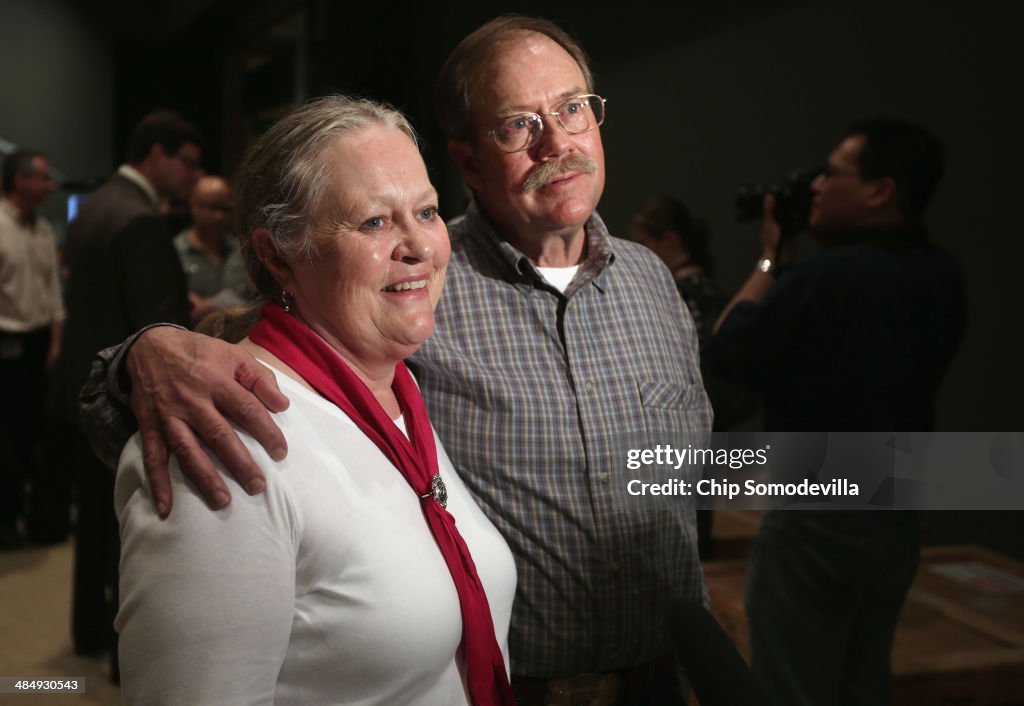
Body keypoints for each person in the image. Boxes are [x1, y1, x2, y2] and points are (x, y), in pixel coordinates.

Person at [82, 16, 711, 704]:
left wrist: (829, 482)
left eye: (572, 109)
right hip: (527, 685)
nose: (558, 142)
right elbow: (224, 370)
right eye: (517, 124)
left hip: (663, 676)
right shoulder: (410, 305)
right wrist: (142, 353)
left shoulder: (652, 282)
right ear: (469, 160)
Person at [114, 95, 516, 706]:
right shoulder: (226, 436)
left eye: (427, 211)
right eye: (374, 222)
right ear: (278, 254)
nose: (418, 245)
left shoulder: (398, 396)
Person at [710, 118, 967, 706]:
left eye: (833, 174)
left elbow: (728, 349)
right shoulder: (942, 274)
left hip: (817, 511)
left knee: (791, 687)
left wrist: (773, 258)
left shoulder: (827, 277)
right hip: (897, 509)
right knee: (864, 680)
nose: (817, 187)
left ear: (881, 191)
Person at [57, 109, 202, 663]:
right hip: (124, 394)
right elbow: (158, 331)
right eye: (187, 162)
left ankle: (90, 632)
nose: (193, 175)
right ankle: (128, 658)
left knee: (94, 525)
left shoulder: (95, 204)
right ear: (156, 154)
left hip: (81, 383)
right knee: (129, 531)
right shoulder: (139, 217)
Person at [629, 194, 757, 558]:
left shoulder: (676, 295)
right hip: (714, 415)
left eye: (644, 243)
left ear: (667, 241)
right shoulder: (711, 290)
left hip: (684, 417)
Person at [0, 149, 64, 549]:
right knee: (5, 435)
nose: (50, 186)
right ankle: (6, 518)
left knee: (32, 430)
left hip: (40, 342)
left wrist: (56, 340)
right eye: (42, 177)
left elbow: (52, 291)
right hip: (5, 341)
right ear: (19, 180)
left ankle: (27, 514)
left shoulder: (43, 229)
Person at [173, 174, 252, 325]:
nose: (219, 216)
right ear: (192, 204)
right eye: (211, 207)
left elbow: (254, 301)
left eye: (225, 209)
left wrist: (210, 305)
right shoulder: (175, 252)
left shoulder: (242, 252)